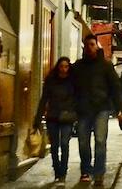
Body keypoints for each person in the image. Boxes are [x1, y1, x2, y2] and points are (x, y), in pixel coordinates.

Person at [71, 34, 122, 187]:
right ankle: (85, 171)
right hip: (83, 109)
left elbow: (115, 88)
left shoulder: (105, 65)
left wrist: (120, 110)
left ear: (96, 46)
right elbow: (71, 87)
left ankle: (99, 173)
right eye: (87, 45)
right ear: (84, 47)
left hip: (101, 108)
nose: (90, 47)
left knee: (100, 141)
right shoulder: (78, 66)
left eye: (92, 44)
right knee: (83, 142)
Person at [34, 56, 77, 187]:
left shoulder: (73, 81)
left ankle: (63, 173)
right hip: (53, 116)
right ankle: (57, 170)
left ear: (69, 68)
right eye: (61, 66)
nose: (64, 69)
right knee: (54, 145)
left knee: (64, 144)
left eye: (66, 66)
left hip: (67, 117)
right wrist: (37, 119)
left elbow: (78, 98)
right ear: (58, 67)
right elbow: (44, 99)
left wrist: (75, 112)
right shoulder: (51, 80)